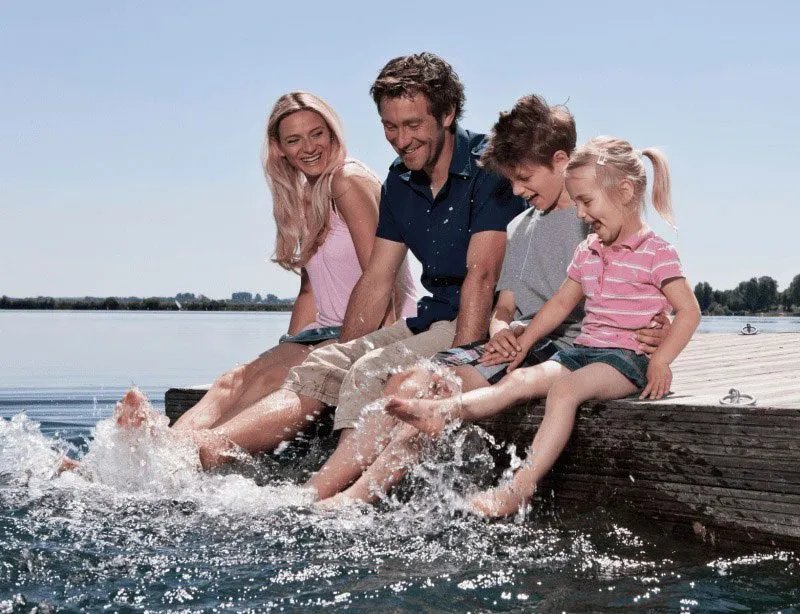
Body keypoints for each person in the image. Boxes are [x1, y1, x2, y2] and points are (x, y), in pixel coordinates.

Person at [168, 52, 524, 475]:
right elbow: (376, 279)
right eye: (390, 127)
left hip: (484, 323)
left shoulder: (489, 165)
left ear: (447, 114)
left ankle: (296, 477)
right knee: (323, 365)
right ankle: (189, 452)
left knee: (365, 370)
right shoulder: (400, 177)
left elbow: (482, 277)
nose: (400, 139)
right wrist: (345, 351)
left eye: (413, 125)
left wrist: (461, 366)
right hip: (433, 318)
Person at [314, 96, 667, 507]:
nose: (516, 190)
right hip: (520, 346)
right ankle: (364, 489)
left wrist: (657, 324)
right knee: (406, 383)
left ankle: (359, 497)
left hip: (565, 351)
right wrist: (500, 331)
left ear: (559, 162)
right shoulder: (519, 225)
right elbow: (505, 305)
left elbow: (641, 281)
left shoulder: (592, 220)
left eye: (523, 177)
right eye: (510, 180)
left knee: (432, 390)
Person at [386, 136, 702, 517]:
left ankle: (519, 488)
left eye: (587, 202)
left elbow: (689, 312)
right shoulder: (588, 251)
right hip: (583, 351)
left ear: (625, 191)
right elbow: (559, 305)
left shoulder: (657, 253)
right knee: (517, 380)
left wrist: (662, 360)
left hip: (625, 359)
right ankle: (445, 411)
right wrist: (525, 342)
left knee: (565, 390)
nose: (582, 214)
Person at [113, 91, 417, 444]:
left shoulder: (346, 181)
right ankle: (163, 452)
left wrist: (353, 353)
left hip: (369, 330)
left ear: (333, 133)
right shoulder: (307, 196)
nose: (308, 147)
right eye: (294, 139)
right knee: (236, 378)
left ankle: (179, 455)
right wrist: (285, 348)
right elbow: (309, 291)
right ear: (280, 149)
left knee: (268, 381)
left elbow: (381, 278)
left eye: (317, 133)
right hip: (324, 332)